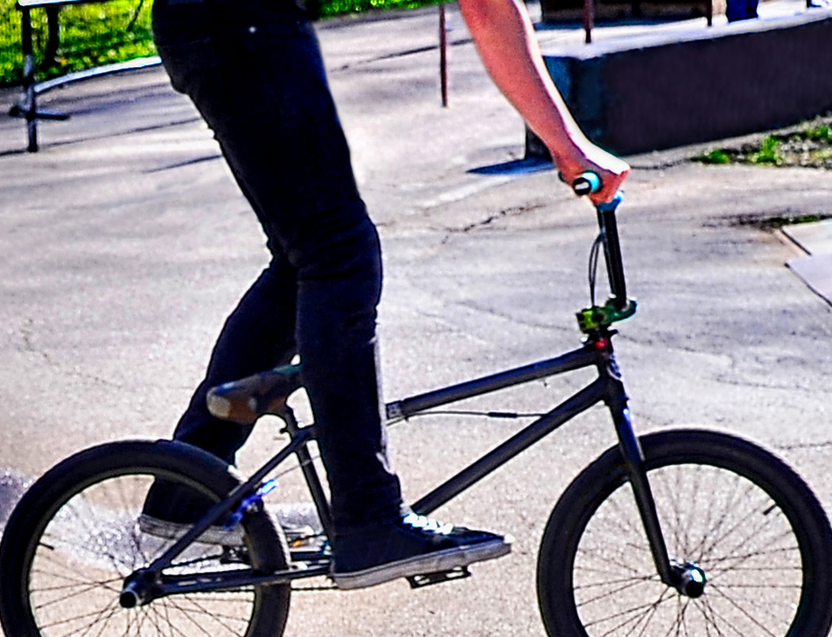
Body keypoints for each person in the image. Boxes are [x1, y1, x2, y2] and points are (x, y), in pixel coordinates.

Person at [141, 0, 628, 589]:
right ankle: (368, 519)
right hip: (239, 26)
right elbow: (489, 8)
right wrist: (569, 146)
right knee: (338, 253)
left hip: (237, 24)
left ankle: (190, 486)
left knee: (310, 256)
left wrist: (565, 144)